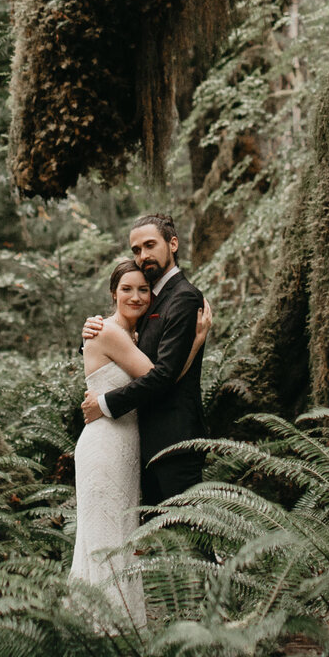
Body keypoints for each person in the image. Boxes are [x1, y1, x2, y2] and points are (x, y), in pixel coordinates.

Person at [71, 244, 211, 622]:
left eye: (143, 290)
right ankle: (104, 627)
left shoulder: (134, 334)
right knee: (105, 537)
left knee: (121, 536)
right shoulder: (110, 332)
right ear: (113, 293)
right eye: (127, 289)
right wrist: (196, 343)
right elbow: (159, 380)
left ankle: (123, 623)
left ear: (153, 295)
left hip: (127, 445)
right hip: (106, 445)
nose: (135, 296)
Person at [79, 213, 210, 506]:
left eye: (150, 245)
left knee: (189, 538)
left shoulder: (184, 298)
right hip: (143, 440)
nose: (143, 255)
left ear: (172, 243)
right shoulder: (150, 296)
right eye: (136, 250)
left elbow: (163, 374)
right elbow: (124, 337)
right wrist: (90, 335)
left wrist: (104, 404)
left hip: (176, 438)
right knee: (159, 543)